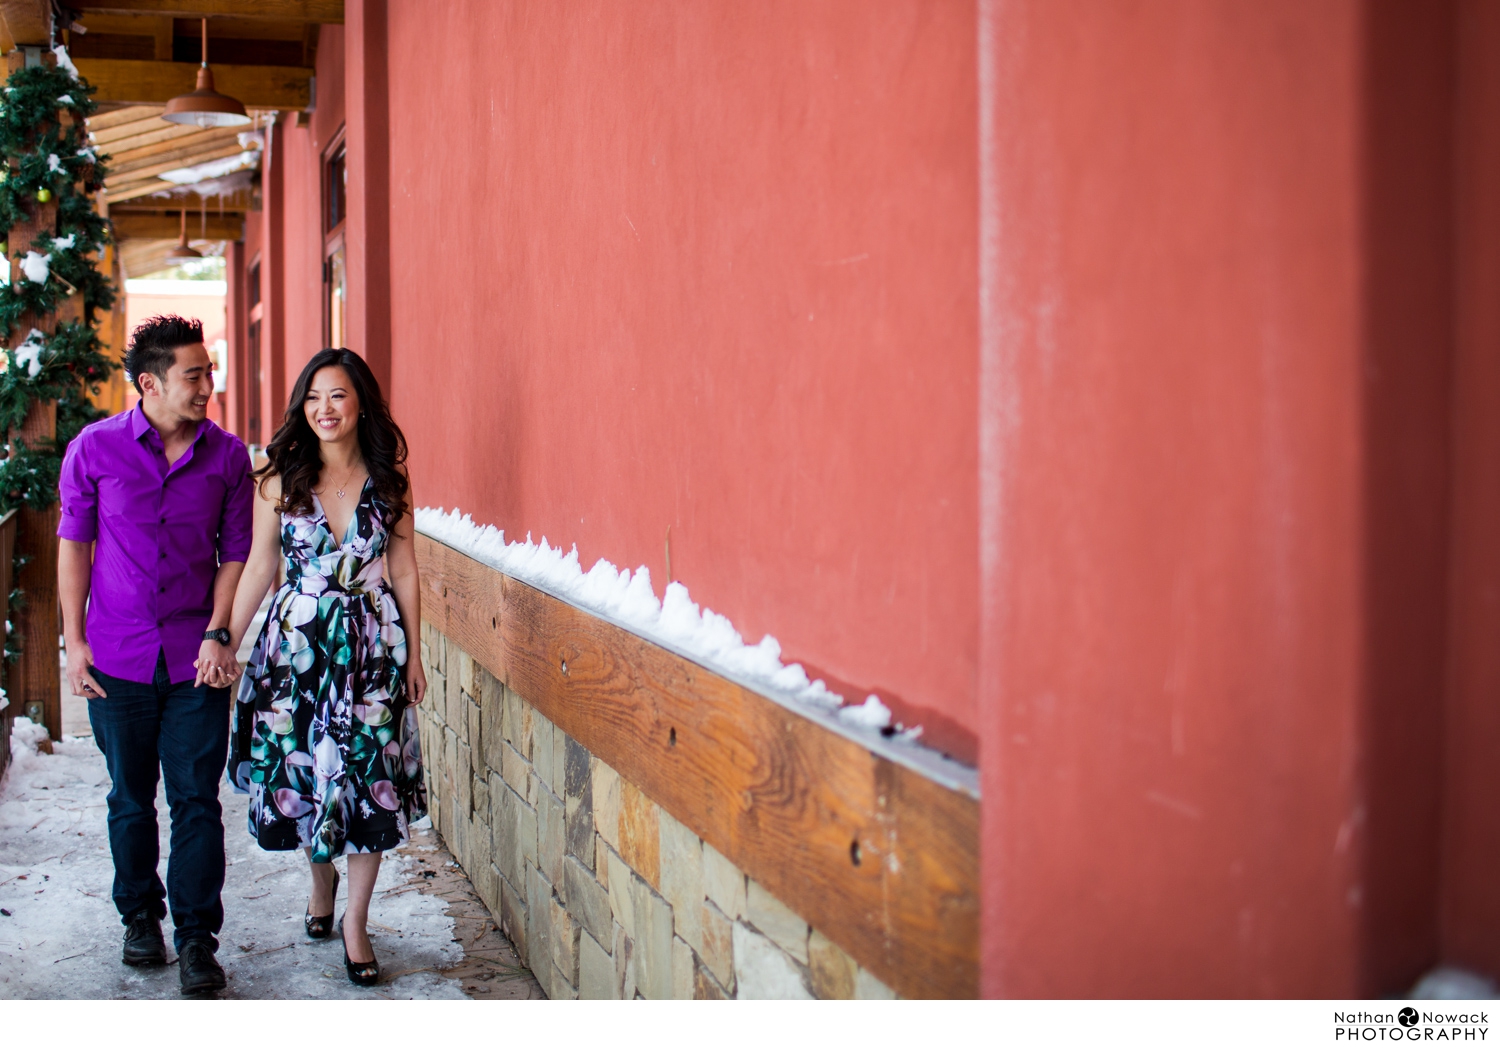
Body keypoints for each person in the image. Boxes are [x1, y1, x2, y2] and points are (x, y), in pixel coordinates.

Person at [58, 315, 251, 996]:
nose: (208, 387)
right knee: (130, 799)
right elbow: (74, 548)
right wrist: (75, 644)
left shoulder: (227, 457)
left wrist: (218, 631)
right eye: (194, 375)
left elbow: (237, 556)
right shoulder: (94, 450)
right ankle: (140, 917)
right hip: (118, 658)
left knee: (198, 801)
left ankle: (199, 939)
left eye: (209, 373)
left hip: (198, 661)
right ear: (150, 383)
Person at [225, 347, 426, 987]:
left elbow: (405, 569)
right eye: (313, 398)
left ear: (360, 400)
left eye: (337, 395)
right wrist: (224, 637)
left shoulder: (390, 481)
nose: (324, 409)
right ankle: (321, 882)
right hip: (297, 655)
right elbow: (261, 566)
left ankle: (356, 923)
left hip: (373, 651)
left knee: (369, 781)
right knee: (308, 777)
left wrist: (415, 653)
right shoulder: (278, 480)